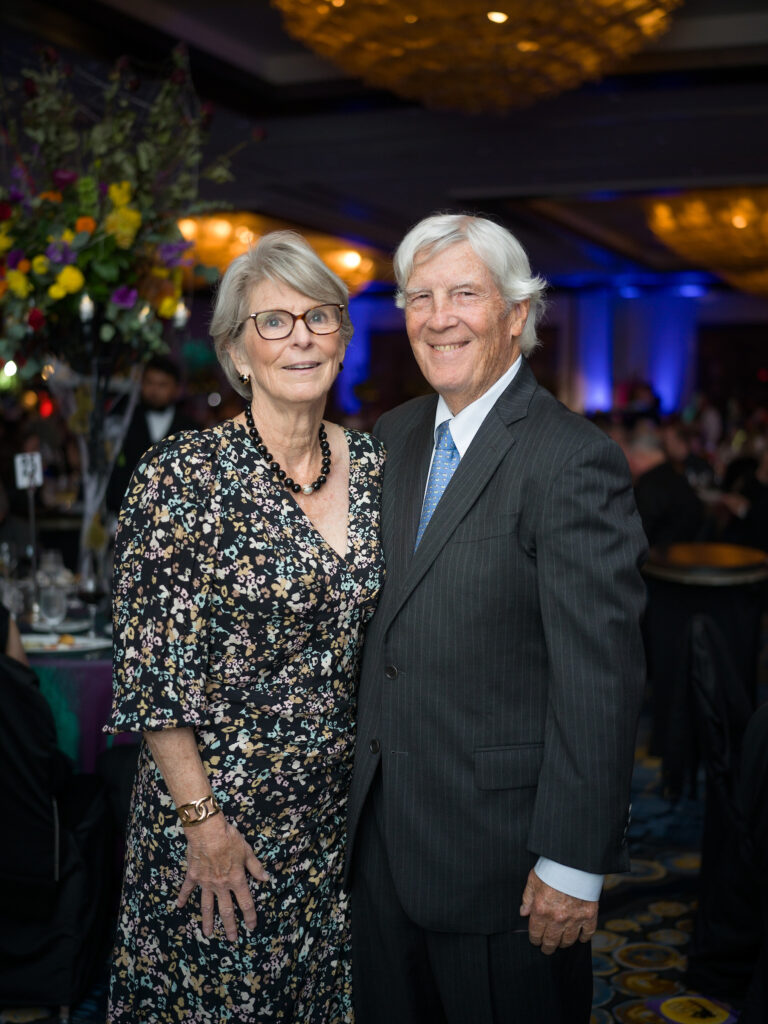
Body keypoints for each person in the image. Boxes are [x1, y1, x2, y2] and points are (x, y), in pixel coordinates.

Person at [345, 213, 647, 1023]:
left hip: (504, 867)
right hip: (379, 848)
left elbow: (601, 679)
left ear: (517, 313)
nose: (439, 317)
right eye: (420, 296)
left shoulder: (572, 459)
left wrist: (573, 864)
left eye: (465, 294)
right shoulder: (395, 434)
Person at [106, 231, 385, 1023]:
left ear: (342, 337)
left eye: (319, 317)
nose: (301, 336)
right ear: (236, 351)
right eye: (274, 321)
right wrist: (206, 826)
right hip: (218, 828)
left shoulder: (375, 471)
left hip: (336, 827)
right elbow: (154, 678)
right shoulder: (179, 478)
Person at [106, 355, 198, 513]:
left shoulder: (190, 428)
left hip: (173, 518)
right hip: (126, 514)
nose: (154, 390)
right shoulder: (124, 421)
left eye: (162, 385)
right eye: (149, 383)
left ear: (176, 389)